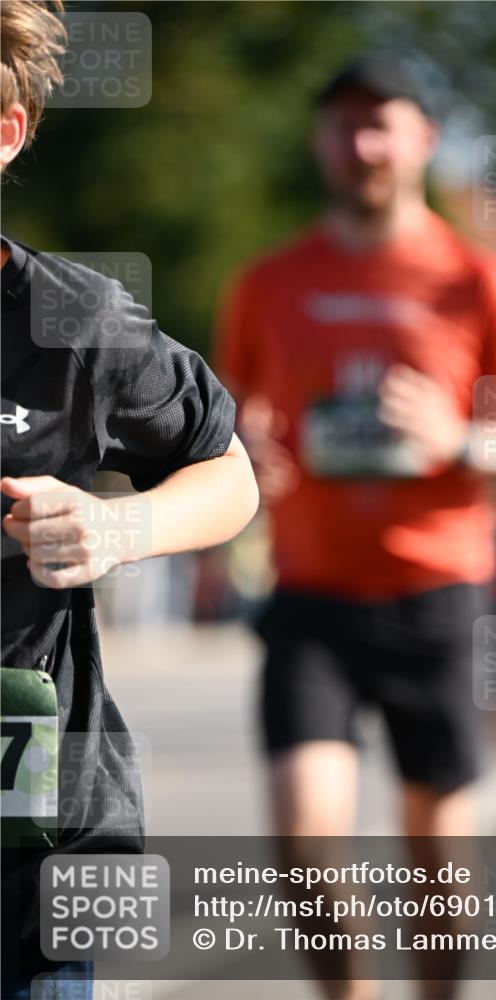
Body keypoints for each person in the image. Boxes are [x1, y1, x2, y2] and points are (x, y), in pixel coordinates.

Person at [214, 51, 496, 1000]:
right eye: (342, 126)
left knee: (435, 857)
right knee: (302, 842)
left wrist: (454, 434)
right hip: (310, 594)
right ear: (322, 143)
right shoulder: (266, 280)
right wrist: (249, 451)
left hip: (435, 593)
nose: (361, 144)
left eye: (381, 124)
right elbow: (225, 424)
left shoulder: (477, 281)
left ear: (422, 141)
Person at [1, 3, 259, 997]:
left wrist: (113, 526)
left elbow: (228, 471)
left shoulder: (71, 319)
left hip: (38, 844)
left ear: (7, 131)